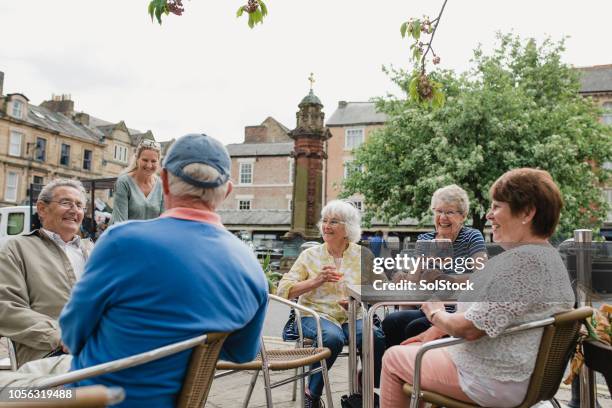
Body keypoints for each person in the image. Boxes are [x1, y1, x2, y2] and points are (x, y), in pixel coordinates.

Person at [0, 134, 269, 408]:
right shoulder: (250, 267)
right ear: (227, 190)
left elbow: (72, 333)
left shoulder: (121, 241)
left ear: (163, 180)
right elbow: (242, 353)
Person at [380, 168, 575, 408]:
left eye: (496, 207)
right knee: (410, 340)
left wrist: (436, 314)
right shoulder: (546, 258)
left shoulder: (521, 264)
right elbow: (494, 315)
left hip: (492, 378)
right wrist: (439, 330)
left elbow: (470, 329)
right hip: (512, 371)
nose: (489, 215)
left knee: (392, 358)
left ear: (526, 212)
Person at [277, 200, 386, 408]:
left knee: (373, 336)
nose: (326, 226)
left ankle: (367, 387)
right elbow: (284, 290)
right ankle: (312, 394)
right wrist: (316, 280)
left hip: (352, 315)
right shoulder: (310, 255)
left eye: (334, 222)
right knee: (332, 338)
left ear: (348, 229)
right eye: (324, 221)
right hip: (315, 314)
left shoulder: (364, 255)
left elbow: (381, 289)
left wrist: (358, 298)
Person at [0, 179, 93, 367]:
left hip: (100, 352)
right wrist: (60, 336)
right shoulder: (17, 248)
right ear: (42, 209)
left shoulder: (94, 250)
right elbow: (7, 308)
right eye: (66, 202)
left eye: (79, 205)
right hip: (49, 358)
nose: (74, 210)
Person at [382, 184, 487, 347]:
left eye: (449, 212)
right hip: (428, 307)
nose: (442, 217)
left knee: (414, 327)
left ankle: (419, 368)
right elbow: (412, 283)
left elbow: (483, 276)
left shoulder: (472, 237)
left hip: (458, 312)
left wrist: (446, 279)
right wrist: (417, 266)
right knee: (391, 321)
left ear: (463, 216)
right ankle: (393, 369)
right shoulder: (425, 239)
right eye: (438, 211)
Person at [110, 139, 164, 224]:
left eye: (153, 161)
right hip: (125, 235)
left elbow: (163, 222)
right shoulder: (124, 182)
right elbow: (120, 223)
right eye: (145, 160)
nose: (149, 165)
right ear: (137, 159)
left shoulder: (162, 185)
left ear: (158, 162)